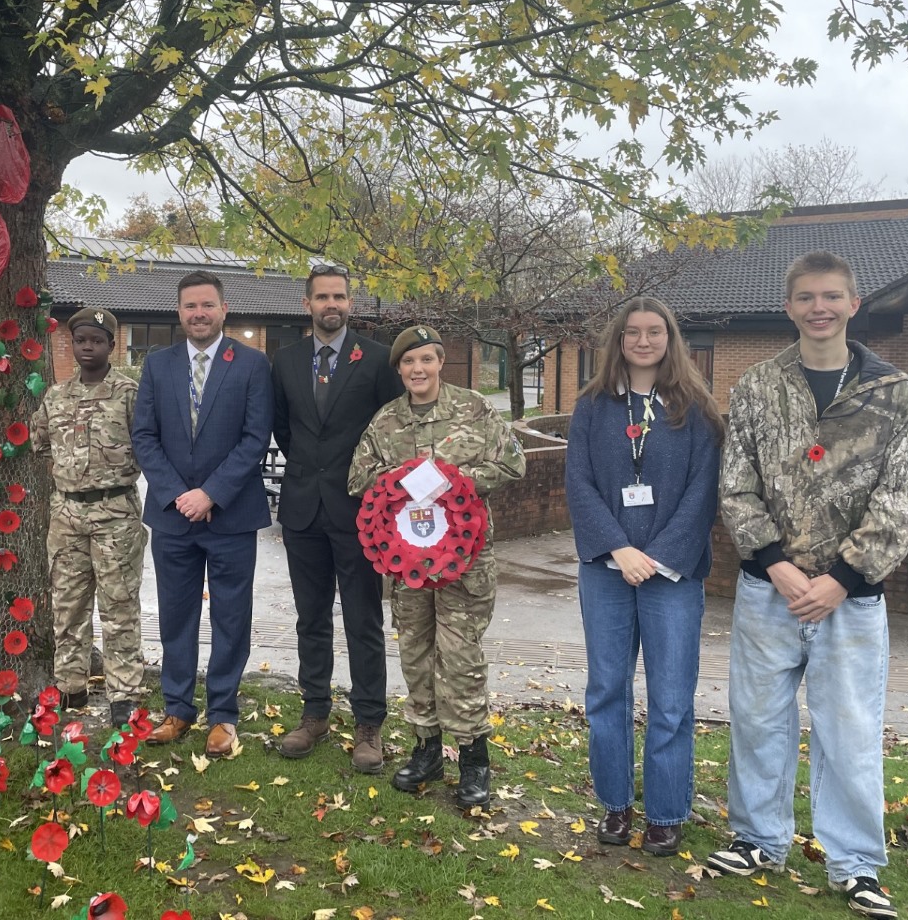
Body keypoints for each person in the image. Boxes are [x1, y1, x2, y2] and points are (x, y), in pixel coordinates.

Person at [706, 252, 908, 920]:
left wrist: (843, 579)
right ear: (789, 306)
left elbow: (900, 498)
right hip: (768, 590)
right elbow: (736, 484)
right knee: (758, 722)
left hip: (849, 600)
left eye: (831, 297)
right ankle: (756, 839)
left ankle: (855, 864)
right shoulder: (758, 386)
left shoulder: (892, 393)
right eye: (805, 297)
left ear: (854, 304)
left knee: (850, 731)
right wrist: (776, 562)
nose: (818, 308)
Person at [564, 297, 723, 857]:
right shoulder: (592, 405)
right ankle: (614, 804)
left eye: (655, 331)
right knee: (607, 691)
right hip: (606, 569)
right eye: (632, 332)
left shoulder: (695, 408)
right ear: (619, 340)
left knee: (671, 698)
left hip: (671, 574)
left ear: (670, 338)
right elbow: (579, 483)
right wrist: (620, 548)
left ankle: (666, 813)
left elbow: (704, 491)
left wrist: (656, 557)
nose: (643, 341)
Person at [347, 325, 524, 806]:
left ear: (441, 362)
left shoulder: (474, 408)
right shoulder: (387, 421)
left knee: (460, 656)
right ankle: (426, 749)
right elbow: (358, 478)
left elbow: (512, 464)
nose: (417, 369)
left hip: (465, 561)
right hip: (408, 564)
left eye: (426, 359)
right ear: (399, 369)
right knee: (416, 652)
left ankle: (473, 758)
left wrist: (453, 480)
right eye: (408, 362)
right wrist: (401, 480)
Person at [132, 270, 274, 756]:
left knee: (231, 616)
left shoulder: (251, 364)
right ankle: (177, 708)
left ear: (223, 309)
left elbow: (255, 438)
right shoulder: (158, 365)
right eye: (190, 306)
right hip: (173, 517)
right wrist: (179, 495)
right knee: (176, 615)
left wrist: (210, 494)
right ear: (179, 312)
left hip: (232, 515)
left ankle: (223, 714)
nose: (199, 313)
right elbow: (144, 436)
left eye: (207, 305)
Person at [272, 264, 404, 773]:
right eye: (323, 297)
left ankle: (369, 723)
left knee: (363, 619)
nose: (332, 304)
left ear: (351, 303)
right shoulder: (285, 360)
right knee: (311, 618)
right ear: (306, 304)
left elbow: (391, 428)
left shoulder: (376, 359)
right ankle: (315, 714)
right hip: (303, 509)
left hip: (359, 512)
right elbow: (284, 429)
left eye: (340, 297)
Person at [29, 307, 147, 729]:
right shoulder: (56, 396)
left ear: (111, 346)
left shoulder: (130, 394)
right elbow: (41, 443)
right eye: (81, 340)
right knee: (68, 605)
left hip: (115, 513)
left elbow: (147, 445)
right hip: (67, 515)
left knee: (119, 606)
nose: (87, 348)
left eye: (96, 341)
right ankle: (71, 685)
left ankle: (124, 693)